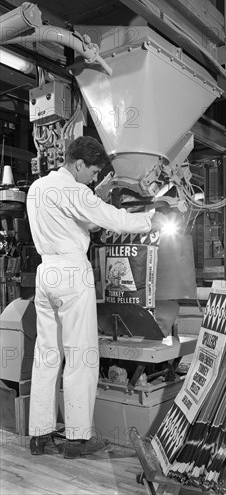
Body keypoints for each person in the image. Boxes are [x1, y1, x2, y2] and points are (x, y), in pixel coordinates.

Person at [26, 136, 165, 459]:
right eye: (92, 171)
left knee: (47, 355)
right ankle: (77, 439)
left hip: (46, 273)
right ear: (77, 164)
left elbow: (83, 220)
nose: (93, 178)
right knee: (81, 356)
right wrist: (151, 218)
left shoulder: (37, 188)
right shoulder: (73, 190)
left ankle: (40, 435)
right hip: (72, 273)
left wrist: (96, 203)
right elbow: (112, 218)